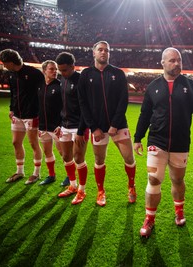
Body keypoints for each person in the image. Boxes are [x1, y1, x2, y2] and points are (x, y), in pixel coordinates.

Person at [134, 47, 193, 238]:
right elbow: (145, 114)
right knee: (154, 179)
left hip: (180, 142)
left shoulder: (191, 86)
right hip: (156, 141)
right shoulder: (153, 86)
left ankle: (179, 212)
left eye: (179, 60)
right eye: (172, 60)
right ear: (162, 62)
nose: (176, 63)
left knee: (177, 180)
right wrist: (137, 138)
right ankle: (149, 219)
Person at [78, 41, 137, 206]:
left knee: (129, 157)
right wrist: (93, 127)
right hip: (97, 127)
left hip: (118, 125)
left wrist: (115, 124)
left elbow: (123, 100)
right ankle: (100, 191)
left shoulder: (118, 73)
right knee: (99, 159)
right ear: (94, 53)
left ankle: (131, 186)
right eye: (100, 50)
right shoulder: (85, 74)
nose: (104, 52)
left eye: (107, 50)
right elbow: (83, 103)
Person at [0, 49, 44, 184]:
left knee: (33, 143)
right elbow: (13, 93)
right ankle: (20, 171)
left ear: (12, 62)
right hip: (17, 115)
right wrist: (11, 109)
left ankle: (36, 173)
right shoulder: (11, 75)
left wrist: (40, 113)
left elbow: (42, 94)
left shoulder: (34, 73)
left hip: (31, 115)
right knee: (16, 142)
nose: (4, 66)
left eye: (5, 63)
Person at [55, 52, 90, 205]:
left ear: (72, 66)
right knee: (66, 157)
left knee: (78, 158)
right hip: (64, 125)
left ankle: (82, 190)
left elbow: (86, 108)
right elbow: (61, 104)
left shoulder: (82, 80)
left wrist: (81, 130)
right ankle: (73, 185)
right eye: (59, 70)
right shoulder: (61, 79)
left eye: (64, 70)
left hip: (79, 126)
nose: (62, 73)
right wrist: (58, 123)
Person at [37, 60, 63, 185]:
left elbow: (66, 107)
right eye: (51, 69)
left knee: (64, 153)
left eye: (55, 69)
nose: (55, 71)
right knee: (47, 151)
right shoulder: (40, 85)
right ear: (44, 71)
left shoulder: (60, 86)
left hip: (56, 127)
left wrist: (61, 124)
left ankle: (70, 177)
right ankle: (51, 175)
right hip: (42, 126)